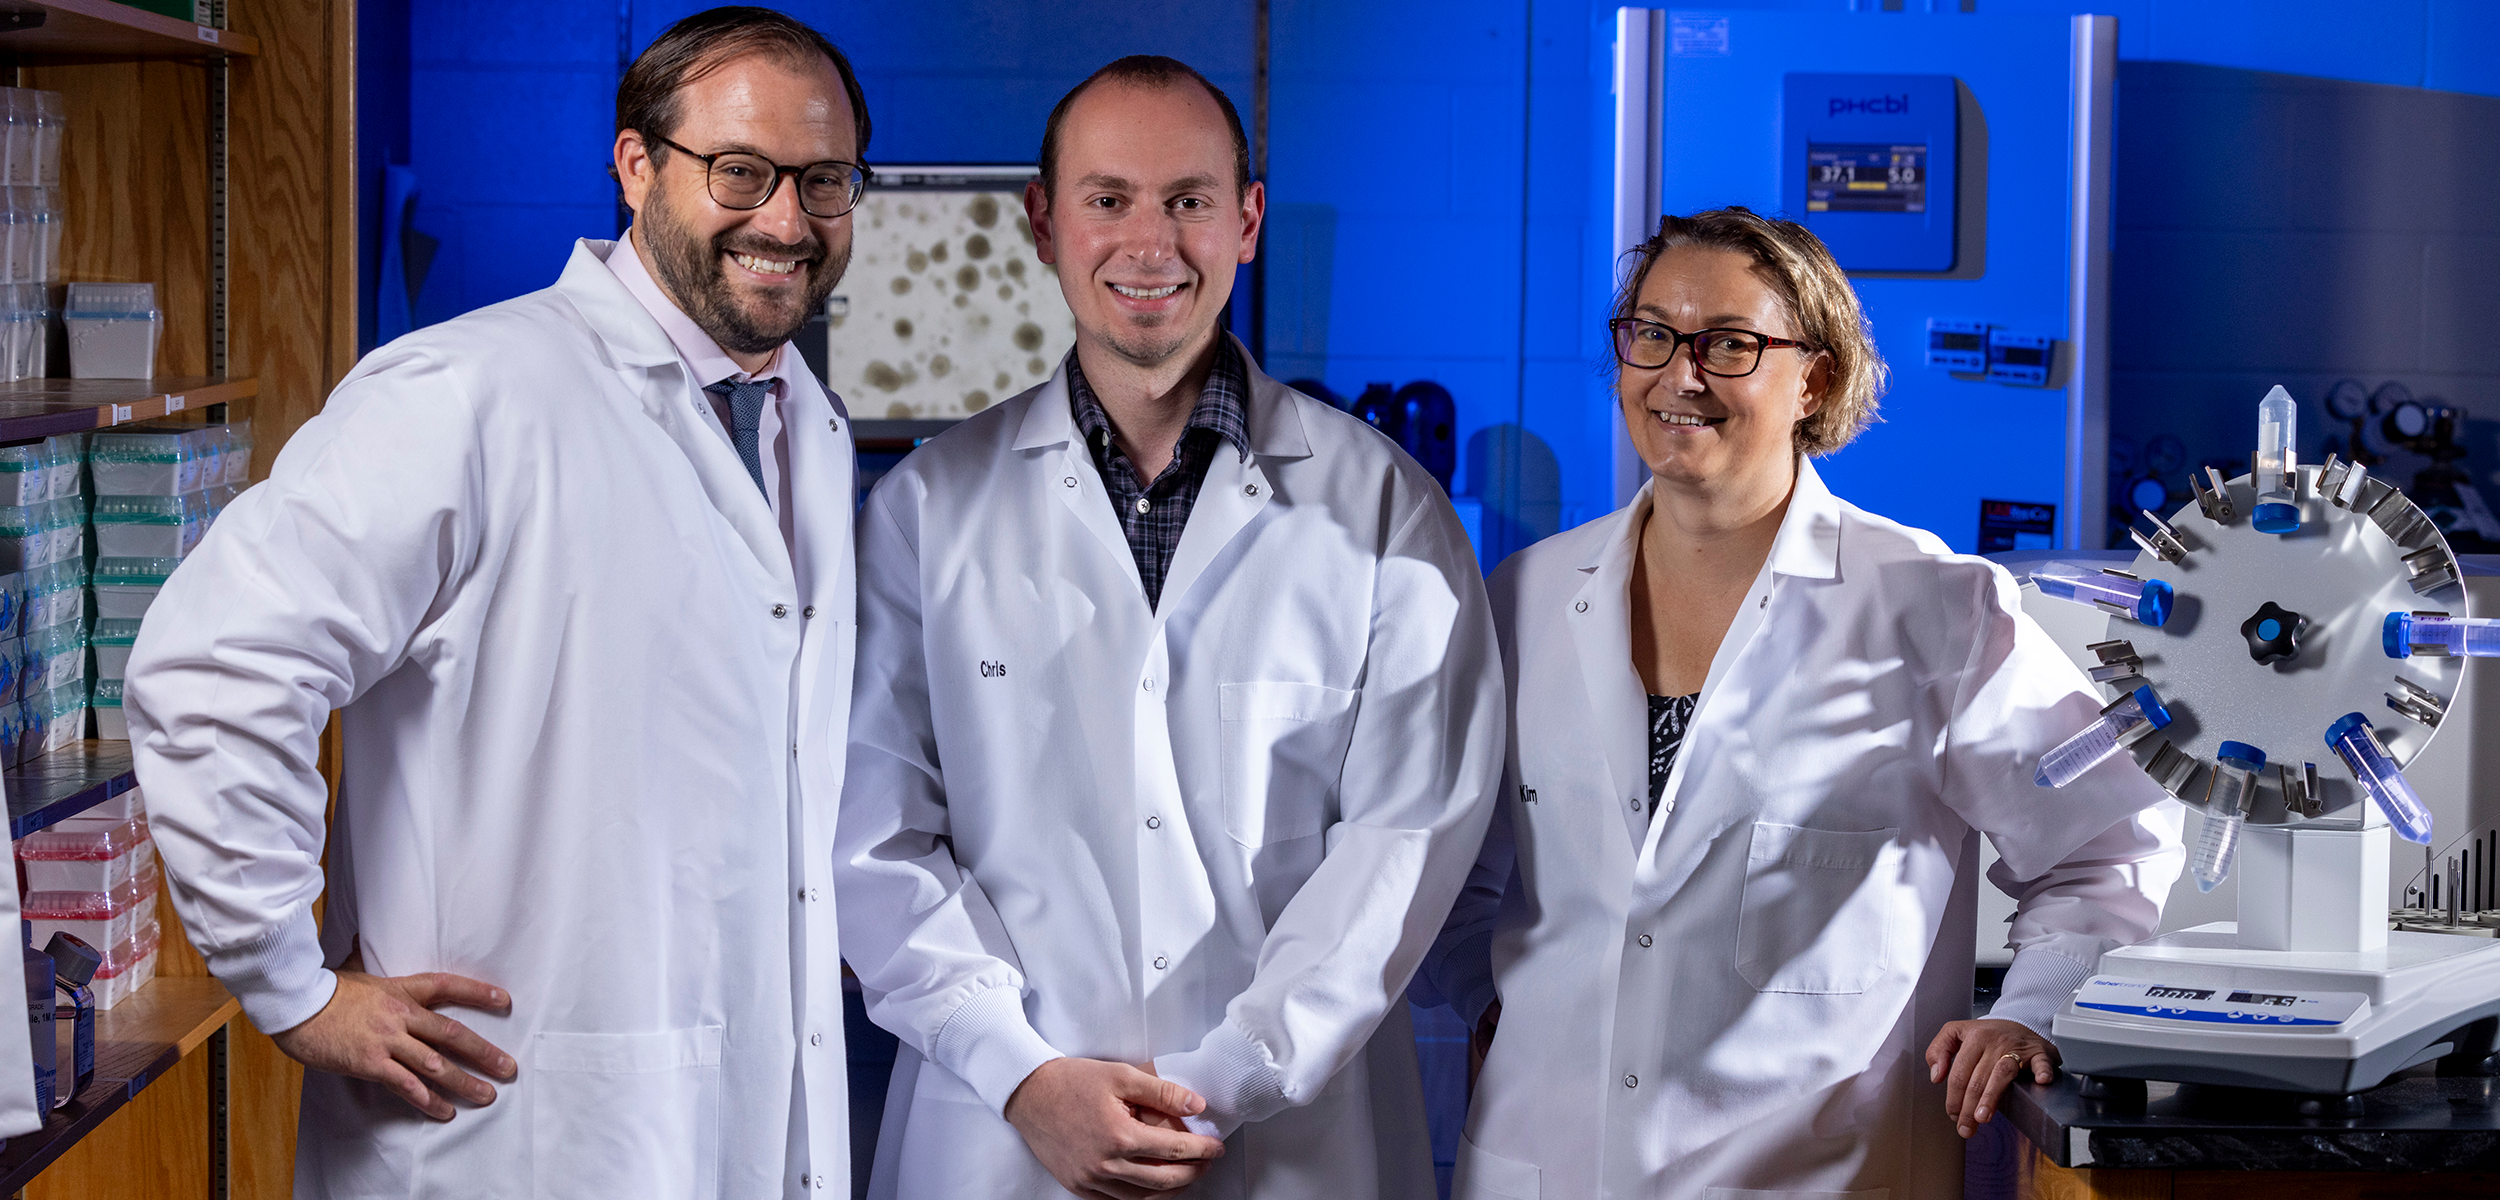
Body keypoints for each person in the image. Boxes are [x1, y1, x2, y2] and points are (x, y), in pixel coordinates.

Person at [125, 8, 870, 1195]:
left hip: (739, 1111)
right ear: (637, 166)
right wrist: (288, 983)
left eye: (823, 181)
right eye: (741, 171)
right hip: (511, 1123)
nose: (785, 219)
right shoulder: (466, 394)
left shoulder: (802, 429)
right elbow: (215, 668)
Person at [837, 54, 1503, 1200]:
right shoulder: (925, 510)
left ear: (1244, 222)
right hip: (1000, 1133)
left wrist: (1226, 1078)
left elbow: (1407, 841)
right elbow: (873, 836)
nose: (1150, 243)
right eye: (1107, 200)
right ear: (1043, 223)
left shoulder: (1386, 509)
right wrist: (1023, 1073)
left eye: (1189, 201)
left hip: (1294, 1141)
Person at [1419, 207, 2185, 1199]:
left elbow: (2107, 842)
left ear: (1814, 379)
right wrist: (1489, 998)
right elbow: (1445, 861)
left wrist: (2030, 1010)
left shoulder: (1932, 605)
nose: (1678, 374)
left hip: (1819, 1170)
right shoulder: (1525, 596)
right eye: (1649, 334)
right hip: (1551, 1160)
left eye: (1728, 344)